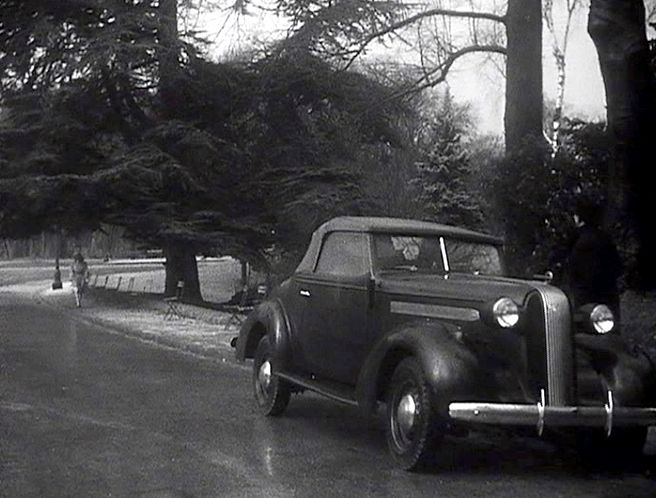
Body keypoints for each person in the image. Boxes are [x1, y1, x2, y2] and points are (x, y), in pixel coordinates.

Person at [565, 199, 622, 318]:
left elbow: (575, 271)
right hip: (609, 293)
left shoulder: (580, 241)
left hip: (587, 297)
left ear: (579, 218)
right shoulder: (605, 238)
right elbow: (617, 267)